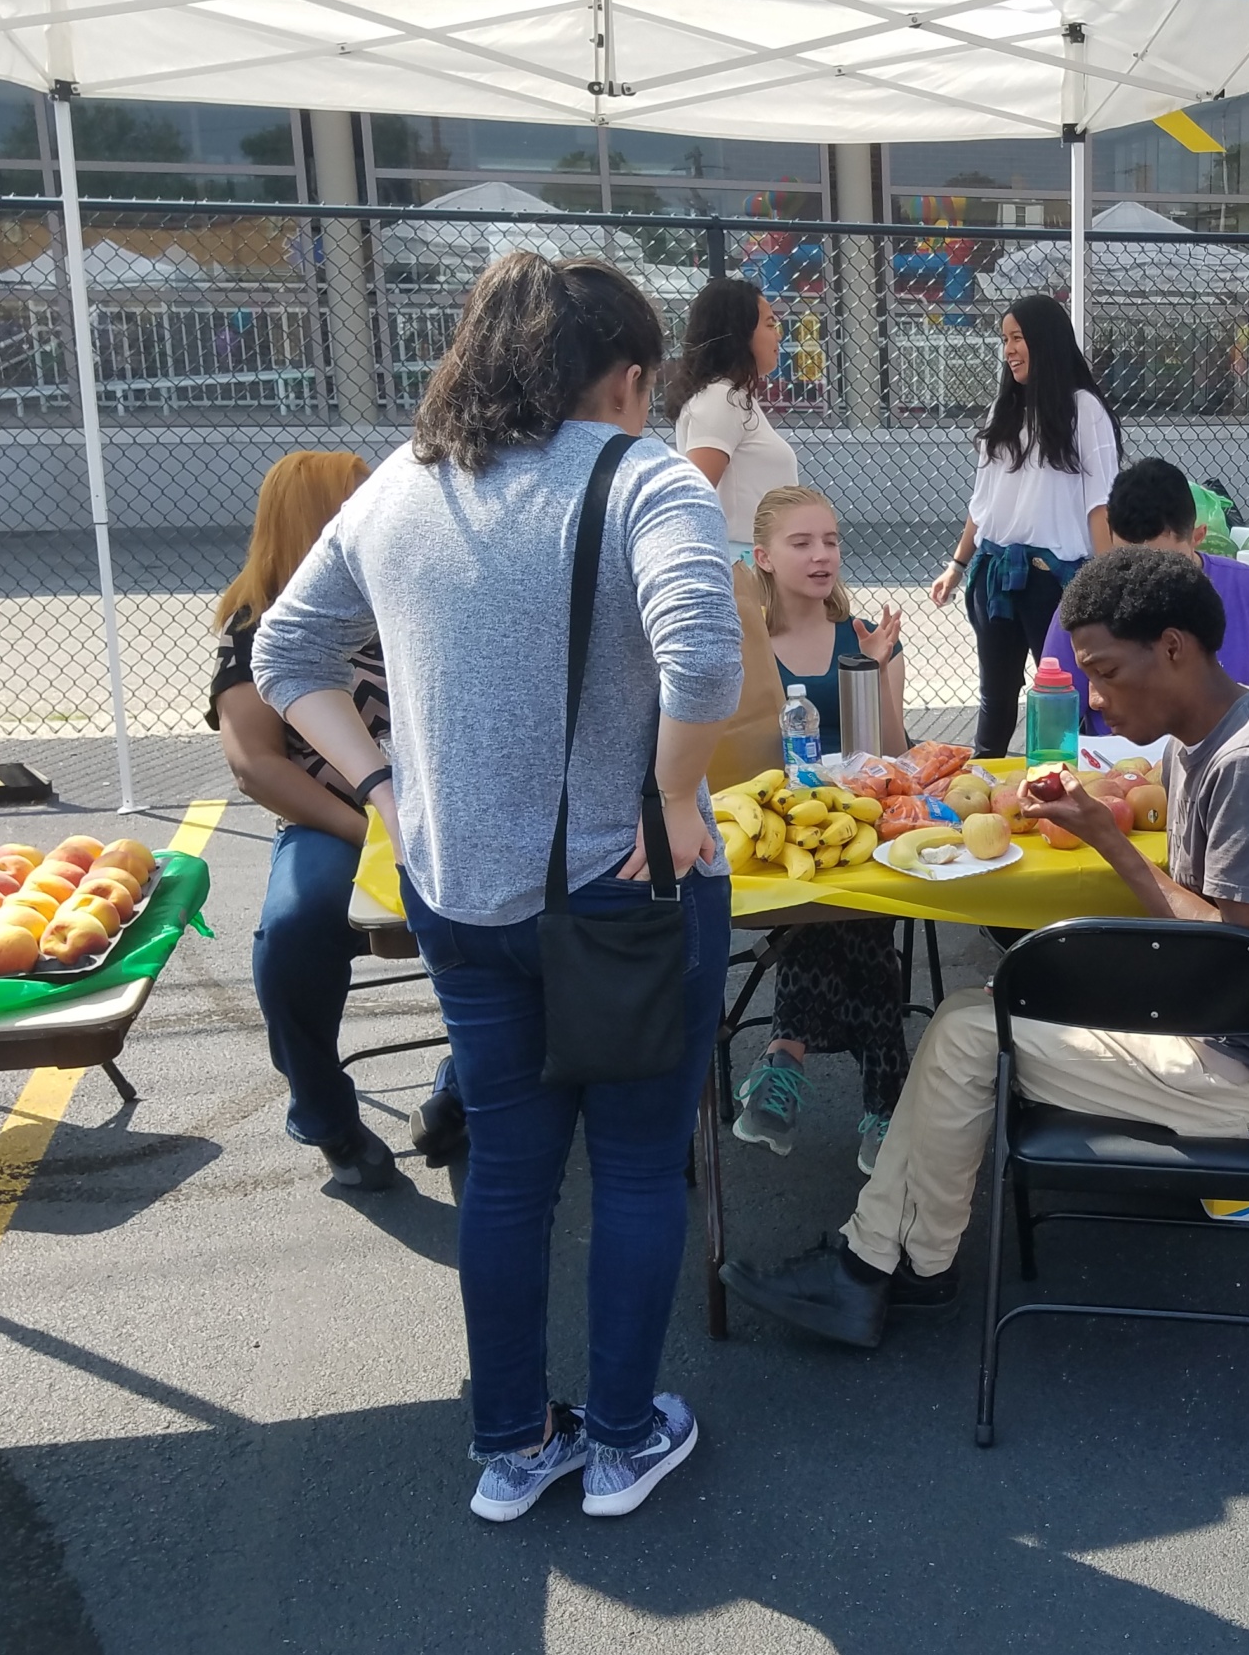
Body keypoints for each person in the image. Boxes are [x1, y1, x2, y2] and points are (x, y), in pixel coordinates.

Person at [253, 252, 740, 1523]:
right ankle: (626, 1440)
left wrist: (376, 785)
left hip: (456, 893)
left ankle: (514, 1446)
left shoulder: (399, 486)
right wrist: (677, 799)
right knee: (636, 1171)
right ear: (629, 377)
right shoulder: (644, 479)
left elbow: (282, 650)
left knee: (513, 1173)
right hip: (623, 892)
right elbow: (701, 654)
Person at [722, 547, 1249, 1348]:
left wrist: (1109, 847)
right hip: (1214, 1024)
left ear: (1174, 647)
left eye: (1105, 671)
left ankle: (889, 1267)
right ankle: (882, 1262)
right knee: (970, 1016)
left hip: (1244, 1075)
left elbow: (1246, 960)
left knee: (963, 1036)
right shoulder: (1207, 739)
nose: (1093, 696)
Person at [208, 447, 420, 1191]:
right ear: (319, 520)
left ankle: (468, 1086)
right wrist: (369, 831)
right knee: (294, 932)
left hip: (442, 808)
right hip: (337, 820)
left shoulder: (405, 589)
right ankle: (325, 1112)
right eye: (360, 498)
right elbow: (257, 765)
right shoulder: (255, 624)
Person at [731, 485, 912, 1175]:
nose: (821, 555)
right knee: (854, 924)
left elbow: (895, 753)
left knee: (847, 913)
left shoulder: (862, 632)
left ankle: (783, 1057)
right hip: (785, 832)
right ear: (764, 558)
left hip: (862, 826)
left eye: (830, 541)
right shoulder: (750, 646)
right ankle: (886, 1106)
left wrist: (876, 665)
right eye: (802, 543)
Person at [927, 294, 1118, 757]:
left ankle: (1065, 788)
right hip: (993, 575)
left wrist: (1111, 586)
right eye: (1005, 340)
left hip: (1053, 583)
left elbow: (1101, 506)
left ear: (1045, 341)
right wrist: (957, 565)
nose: (1008, 350)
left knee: (1059, 699)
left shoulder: (1084, 411)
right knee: (996, 699)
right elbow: (984, 502)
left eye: (1017, 338)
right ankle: (983, 786)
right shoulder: (1002, 413)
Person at [1041, 457, 1249, 734]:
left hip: (1226, 755)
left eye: (1166, 563)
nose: (1147, 580)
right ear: (1110, 536)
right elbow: (1050, 721)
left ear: (1198, 536)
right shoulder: (1087, 603)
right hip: (1123, 765)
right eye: (1129, 561)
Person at [668, 275, 797, 555]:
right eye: (770, 324)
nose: (779, 334)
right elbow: (695, 496)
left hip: (758, 560)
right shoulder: (720, 399)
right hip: (742, 566)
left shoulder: (734, 398)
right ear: (739, 332)